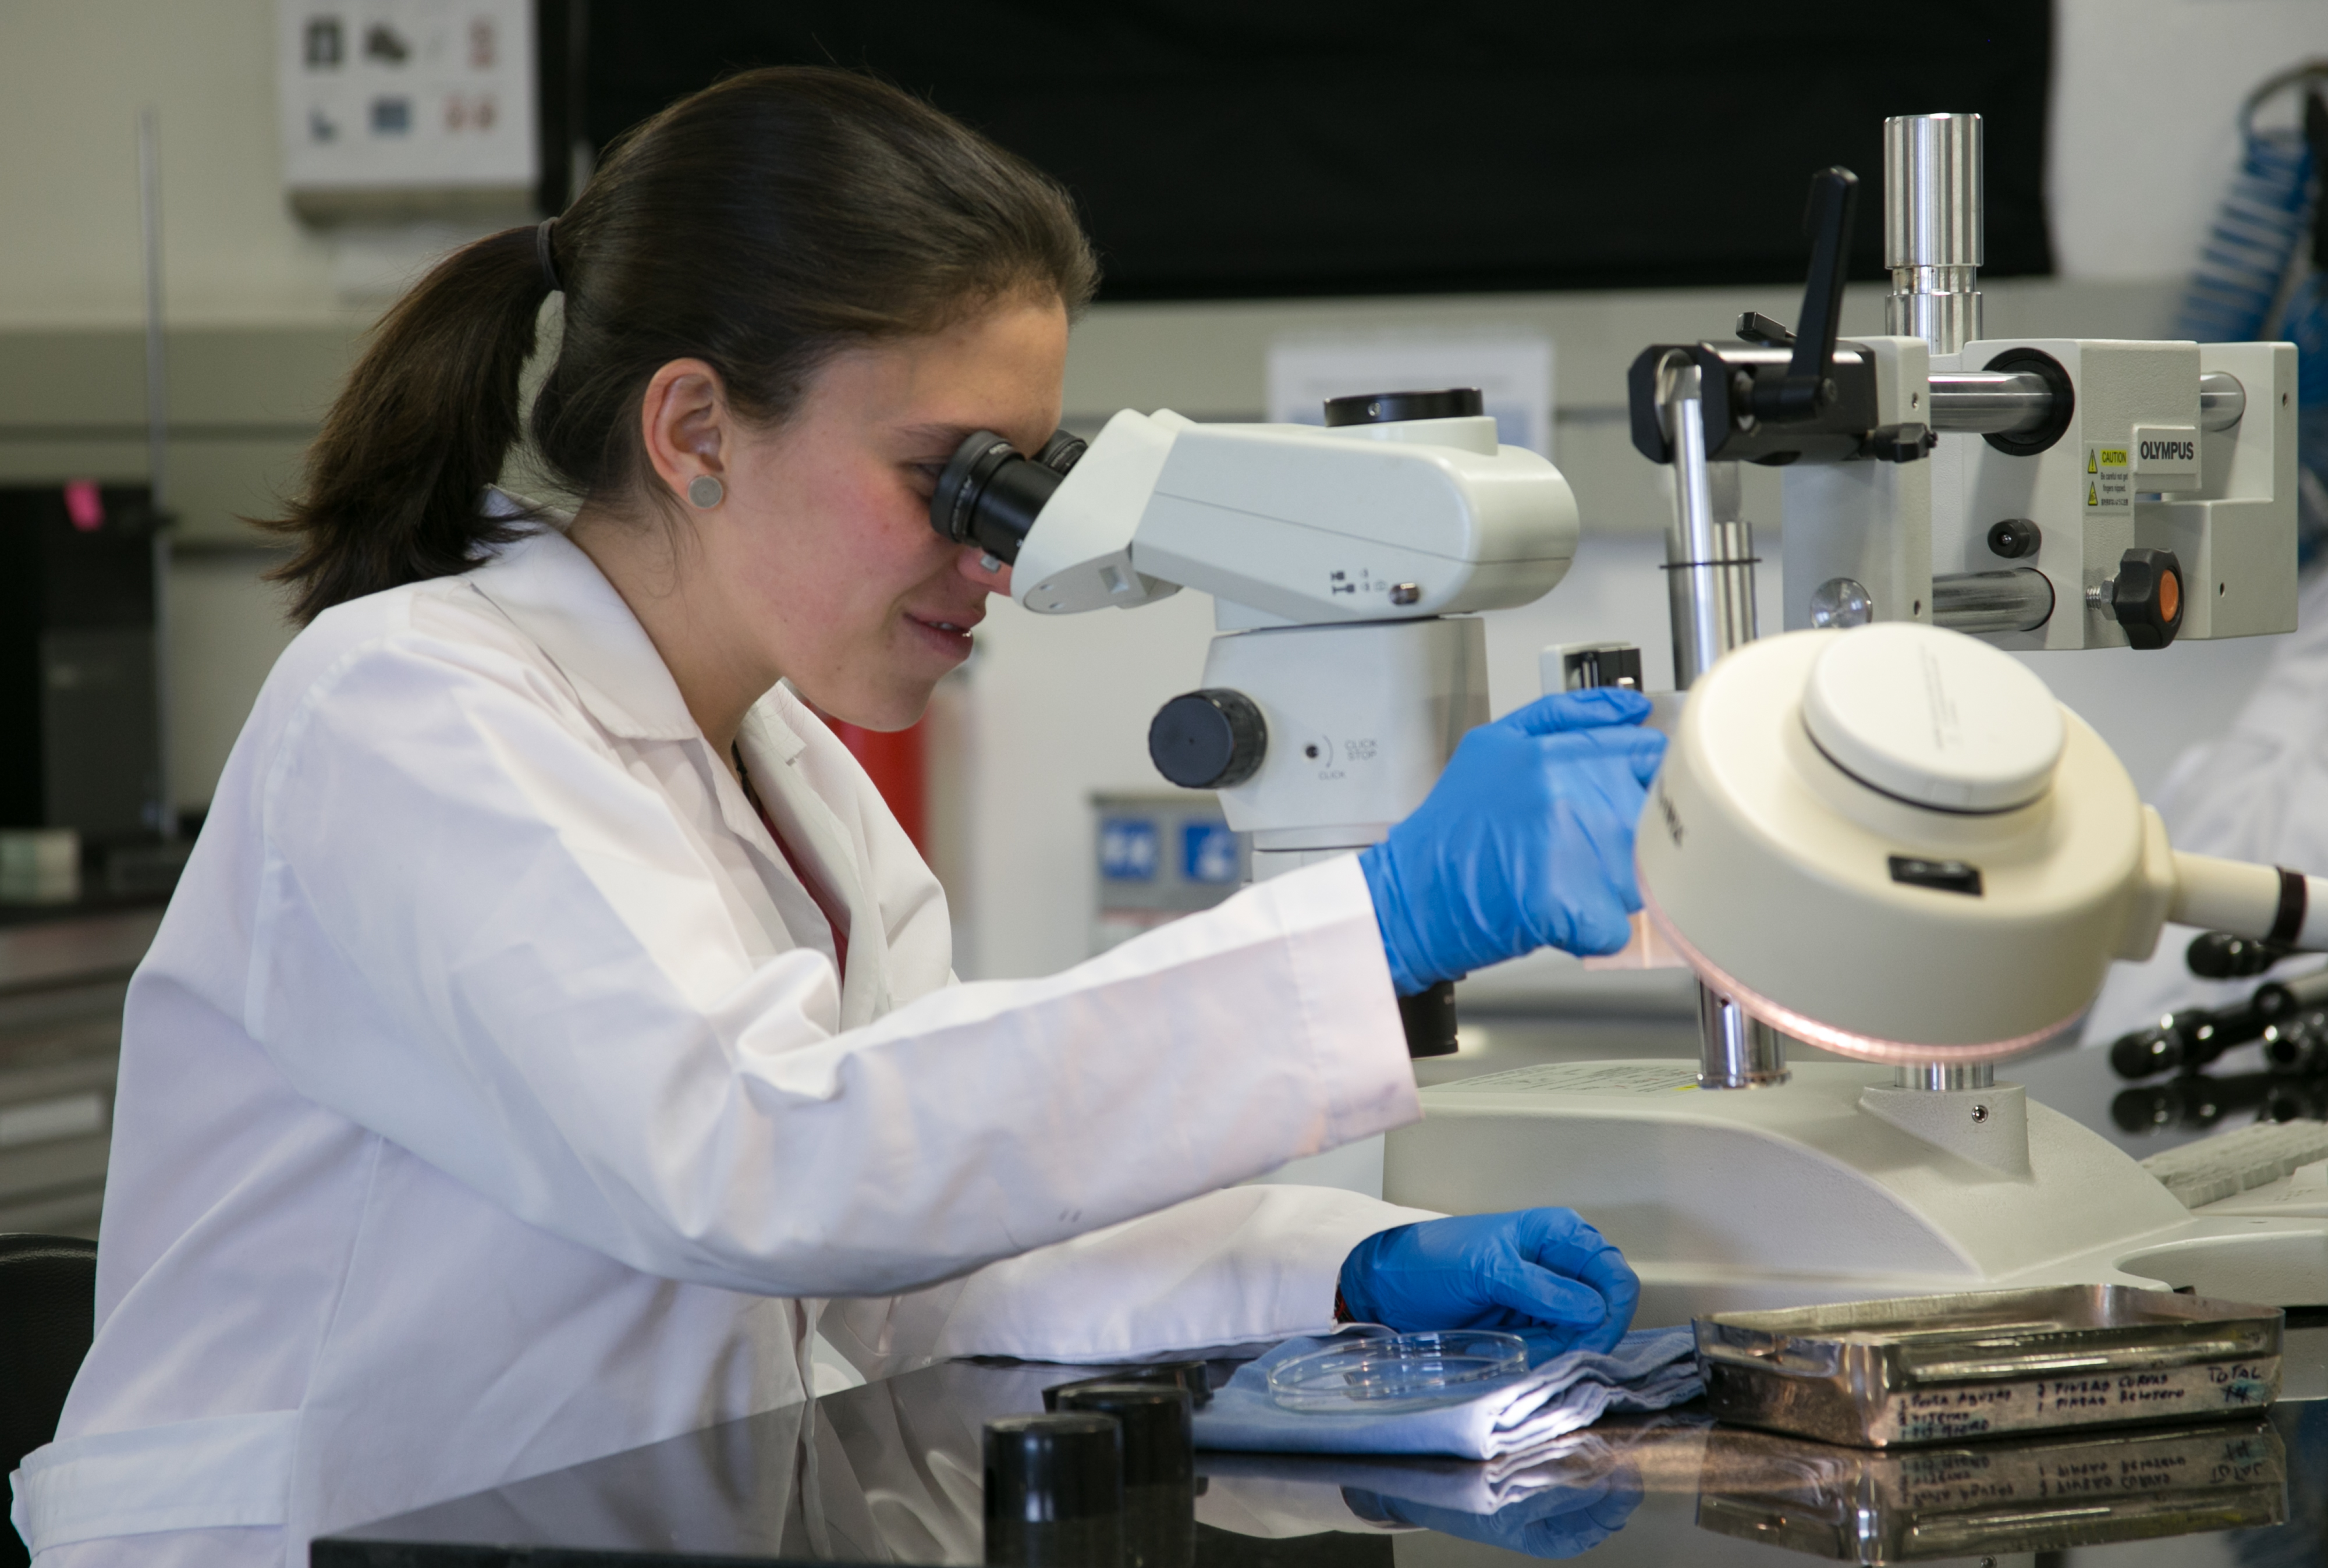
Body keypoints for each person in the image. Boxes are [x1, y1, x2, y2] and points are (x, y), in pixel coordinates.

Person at [12, 69, 1663, 1566]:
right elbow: (759, 1160)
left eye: (1029, 478)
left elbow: (914, 1250)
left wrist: (1331, 1268)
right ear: (696, 431)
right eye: (953, 478)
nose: (1004, 554)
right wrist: (1377, 925)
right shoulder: (406, 708)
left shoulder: (787, 764)